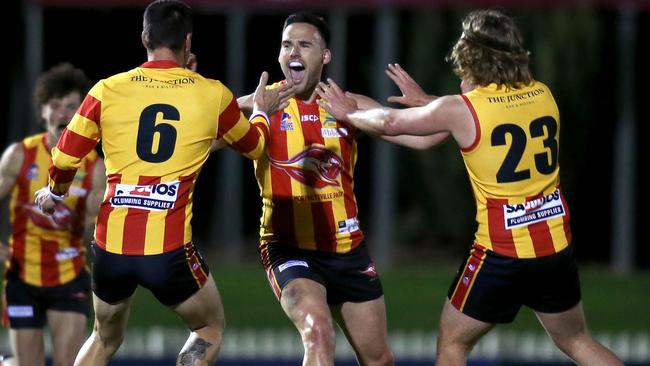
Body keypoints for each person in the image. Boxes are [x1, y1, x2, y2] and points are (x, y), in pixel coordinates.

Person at [316, 8, 623, 366]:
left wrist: (347, 113)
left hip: (500, 255)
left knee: (452, 346)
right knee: (576, 339)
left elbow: (390, 121)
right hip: (554, 249)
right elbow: (488, 114)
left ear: (472, 56)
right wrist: (431, 103)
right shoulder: (542, 94)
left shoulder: (462, 109)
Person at [34, 1, 292, 365]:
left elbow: (63, 157)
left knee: (103, 337)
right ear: (188, 43)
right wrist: (262, 110)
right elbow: (256, 147)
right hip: (168, 253)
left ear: (144, 38)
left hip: (111, 248)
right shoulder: (211, 93)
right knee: (208, 329)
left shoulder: (107, 90)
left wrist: (55, 192)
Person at [238, 12, 394, 366]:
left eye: (304, 45)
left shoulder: (346, 105)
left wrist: (427, 106)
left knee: (379, 359)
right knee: (319, 334)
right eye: (286, 44)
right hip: (289, 248)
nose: (293, 51)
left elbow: (424, 137)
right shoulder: (261, 104)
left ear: (325, 56)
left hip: (347, 251)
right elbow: (198, 135)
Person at [0, 63, 105, 366]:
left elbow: (92, 235)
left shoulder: (94, 168)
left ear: (81, 115)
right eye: (55, 105)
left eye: (71, 106)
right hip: (22, 275)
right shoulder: (20, 155)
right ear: (42, 111)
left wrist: (92, 219)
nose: (62, 114)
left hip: (69, 277)